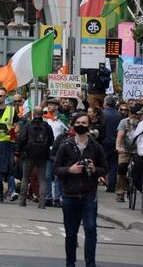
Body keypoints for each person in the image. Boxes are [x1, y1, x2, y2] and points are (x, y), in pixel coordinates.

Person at [54, 112, 108, 267]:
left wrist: (94, 168)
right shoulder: (65, 145)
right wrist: (70, 170)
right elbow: (56, 169)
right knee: (71, 232)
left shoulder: (95, 147)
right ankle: (70, 263)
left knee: (91, 228)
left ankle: (90, 263)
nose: (81, 125)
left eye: (85, 123)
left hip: (89, 194)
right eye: (78, 122)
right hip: (70, 194)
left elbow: (105, 168)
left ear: (89, 126)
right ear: (72, 124)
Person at [18, 106, 54, 208]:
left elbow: (21, 139)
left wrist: (20, 151)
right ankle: (42, 203)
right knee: (42, 179)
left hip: (29, 154)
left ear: (33, 114)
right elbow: (51, 140)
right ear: (42, 114)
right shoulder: (46, 126)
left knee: (25, 178)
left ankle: (22, 201)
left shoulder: (28, 125)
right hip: (43, 155)